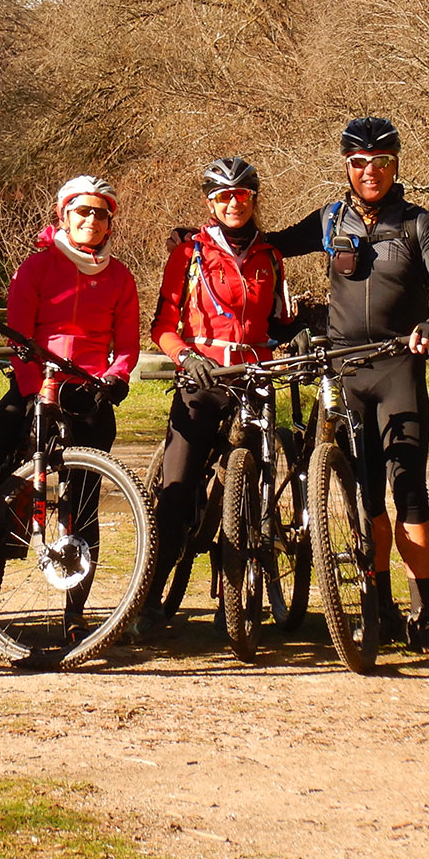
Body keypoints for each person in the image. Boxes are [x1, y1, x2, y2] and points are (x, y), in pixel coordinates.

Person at [269, 117, 429, 654]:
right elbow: (272, 245)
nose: (370, 172)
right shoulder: (332, 218)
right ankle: (376, 603)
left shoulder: (419, 223)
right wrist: (207, 240)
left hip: (398, 367)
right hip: (345, 370)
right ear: (347, 168)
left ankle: (425, 611)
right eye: (359, 163)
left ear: (395, 165)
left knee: (408, 492)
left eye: (380, 163)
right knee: (364, 497)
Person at [0, 175, 141, 642]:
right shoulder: (36, 268)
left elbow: (128, 343)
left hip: (90, 392)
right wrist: (34, 389)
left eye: (100, 214)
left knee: (84, 503)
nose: (91, 220)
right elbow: (18, 337)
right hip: (35, 385)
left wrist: (115, 378)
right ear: (64, 214)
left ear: (109, 223)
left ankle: (75, 612)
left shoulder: (120, 277)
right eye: (82, 211)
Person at [145, 156, 292, 632]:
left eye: (242, 195)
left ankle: (239, 577)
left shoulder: (270, 256)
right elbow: (163, 326)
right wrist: (187, 358)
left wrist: (301, 331)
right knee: (178, 486)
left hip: (254, 378)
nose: (234, 204)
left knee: (257, 480)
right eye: (224, 196)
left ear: (253, 198)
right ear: (211, 202)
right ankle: (148, 594)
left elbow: (276, 323)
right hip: (202, 379)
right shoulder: (188, 255)